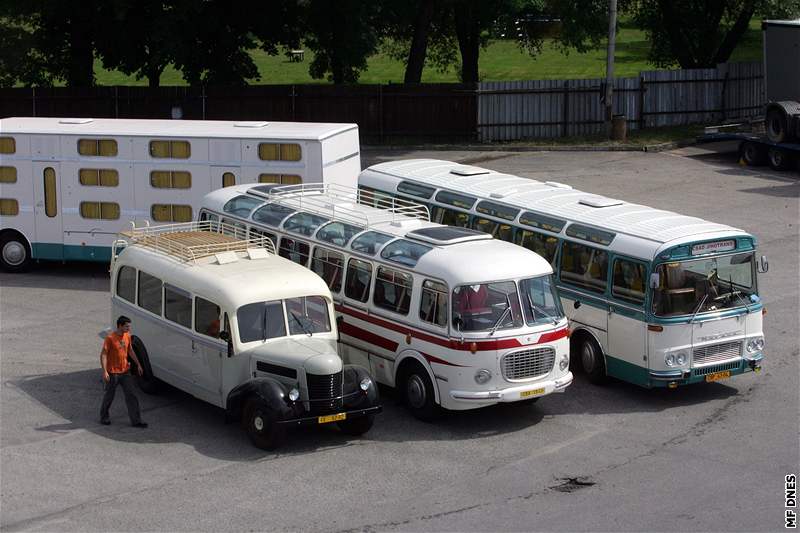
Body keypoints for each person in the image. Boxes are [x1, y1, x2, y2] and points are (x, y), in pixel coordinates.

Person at [99, 316, 148, 428]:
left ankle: (136, 421)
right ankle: (104, 416)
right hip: (113, 373)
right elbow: (103, 355)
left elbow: (130, 350)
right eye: (126, 326)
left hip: (125, 372)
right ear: (120, 326)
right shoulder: (110, 338)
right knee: (109, 396)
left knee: (132, 395)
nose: (128, 328)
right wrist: (105, 371)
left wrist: (138, 364)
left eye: (129, 326)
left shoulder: (127, 336)